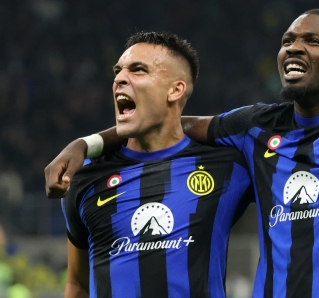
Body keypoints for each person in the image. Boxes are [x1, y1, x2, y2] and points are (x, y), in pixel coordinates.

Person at [47, 0, 319, 296]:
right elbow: (168, 123)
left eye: (311, 41)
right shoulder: (256, 127)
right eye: (287, 41)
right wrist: (85, 144)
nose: (293, 48)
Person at [61, 31, 258, 298]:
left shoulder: (229, 166)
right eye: (118, 71)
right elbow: (77, 284)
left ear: (175, 90)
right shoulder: (85, 176)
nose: (119, 78)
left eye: (138, 70)